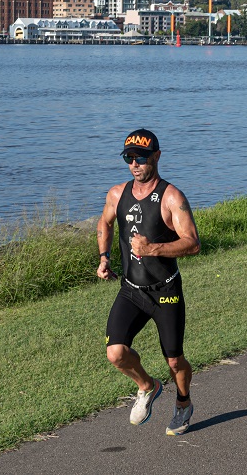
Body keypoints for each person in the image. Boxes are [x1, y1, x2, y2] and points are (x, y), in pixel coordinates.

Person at [96, 128, 201, 436]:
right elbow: (104, 221)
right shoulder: (117, 194)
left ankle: (183, 404)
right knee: (115, 353)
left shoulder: (171, 197)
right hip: (131, 290)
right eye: (129, 158)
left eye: (140, 158)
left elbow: (193, 243)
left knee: (174, 359)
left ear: (156, 156)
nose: (134, 164)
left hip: (166, 291)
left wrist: (153, 249)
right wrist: (104, 258)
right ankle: (147, 386)